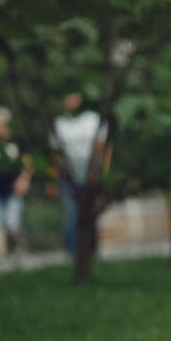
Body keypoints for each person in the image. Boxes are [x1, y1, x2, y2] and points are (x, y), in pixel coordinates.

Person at [51, 93, 109, 258]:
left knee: (90, 212)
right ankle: (72, 253)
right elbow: (55, 154)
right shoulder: (59, 123)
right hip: (68, 176)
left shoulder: (93, 119)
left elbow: (102, 148)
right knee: (71, 214)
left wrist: (101, 172)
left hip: (91, 175)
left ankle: (92, 251)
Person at [0, 106, 33, 259]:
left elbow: (28, 163)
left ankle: (20, 248)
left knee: (12, 223)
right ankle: (0, 257)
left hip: (13, 187)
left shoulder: (17, 140)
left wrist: (24, 180)